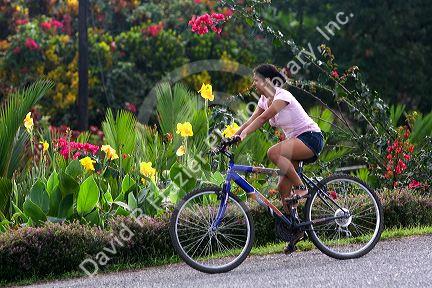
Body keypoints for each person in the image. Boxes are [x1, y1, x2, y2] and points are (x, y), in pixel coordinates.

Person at [234, 64, 325, 252]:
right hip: (296, 142)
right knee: (283, 187)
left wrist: (243, 136)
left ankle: (301, 188)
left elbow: (262, 120)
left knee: (273, 152)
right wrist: (233, 135)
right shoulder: (263, 100)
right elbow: (252, 119)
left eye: (256, 80)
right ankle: (297, 230)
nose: (254, 84)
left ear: (267, 81)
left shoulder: (281, 96)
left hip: (311, 138)